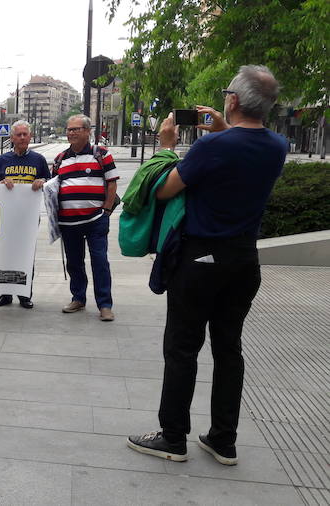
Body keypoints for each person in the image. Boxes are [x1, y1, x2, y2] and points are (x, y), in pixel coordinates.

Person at [128, 65, 287, 466]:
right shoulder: (277, 145)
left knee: (182, 347)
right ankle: (223, 439)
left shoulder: (212, 146)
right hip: (244, 260)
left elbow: (164, 189)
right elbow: (243, 148)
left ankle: (173, 437)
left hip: (200, 259)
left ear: (232, 100)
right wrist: (223, 128)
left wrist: (166, 146)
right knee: (229, 348)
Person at [53, 114, 119, 322]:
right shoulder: (60, 158)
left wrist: (106, 210)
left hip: (95, 221)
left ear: (88, 131)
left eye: (76, 129)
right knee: (74, 263)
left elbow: (112, 183)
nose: (71, 133)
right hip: (68, 222)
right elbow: (53, 187)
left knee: (100, 262)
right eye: (69, 129)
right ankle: (78, 298)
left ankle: (105, 305)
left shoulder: (102, 154)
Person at [0, 120, 50, 309]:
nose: (22, 137)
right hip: (5, 217)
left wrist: (43, 181)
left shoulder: (39, 160)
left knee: (26, 255)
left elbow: (51, 183)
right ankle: (5, 294)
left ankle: (25, 294)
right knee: (5, 256)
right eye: (18, 134)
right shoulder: (1, 160)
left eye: (25, 134)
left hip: (28, 218)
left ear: (30, 137)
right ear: (12, 138)